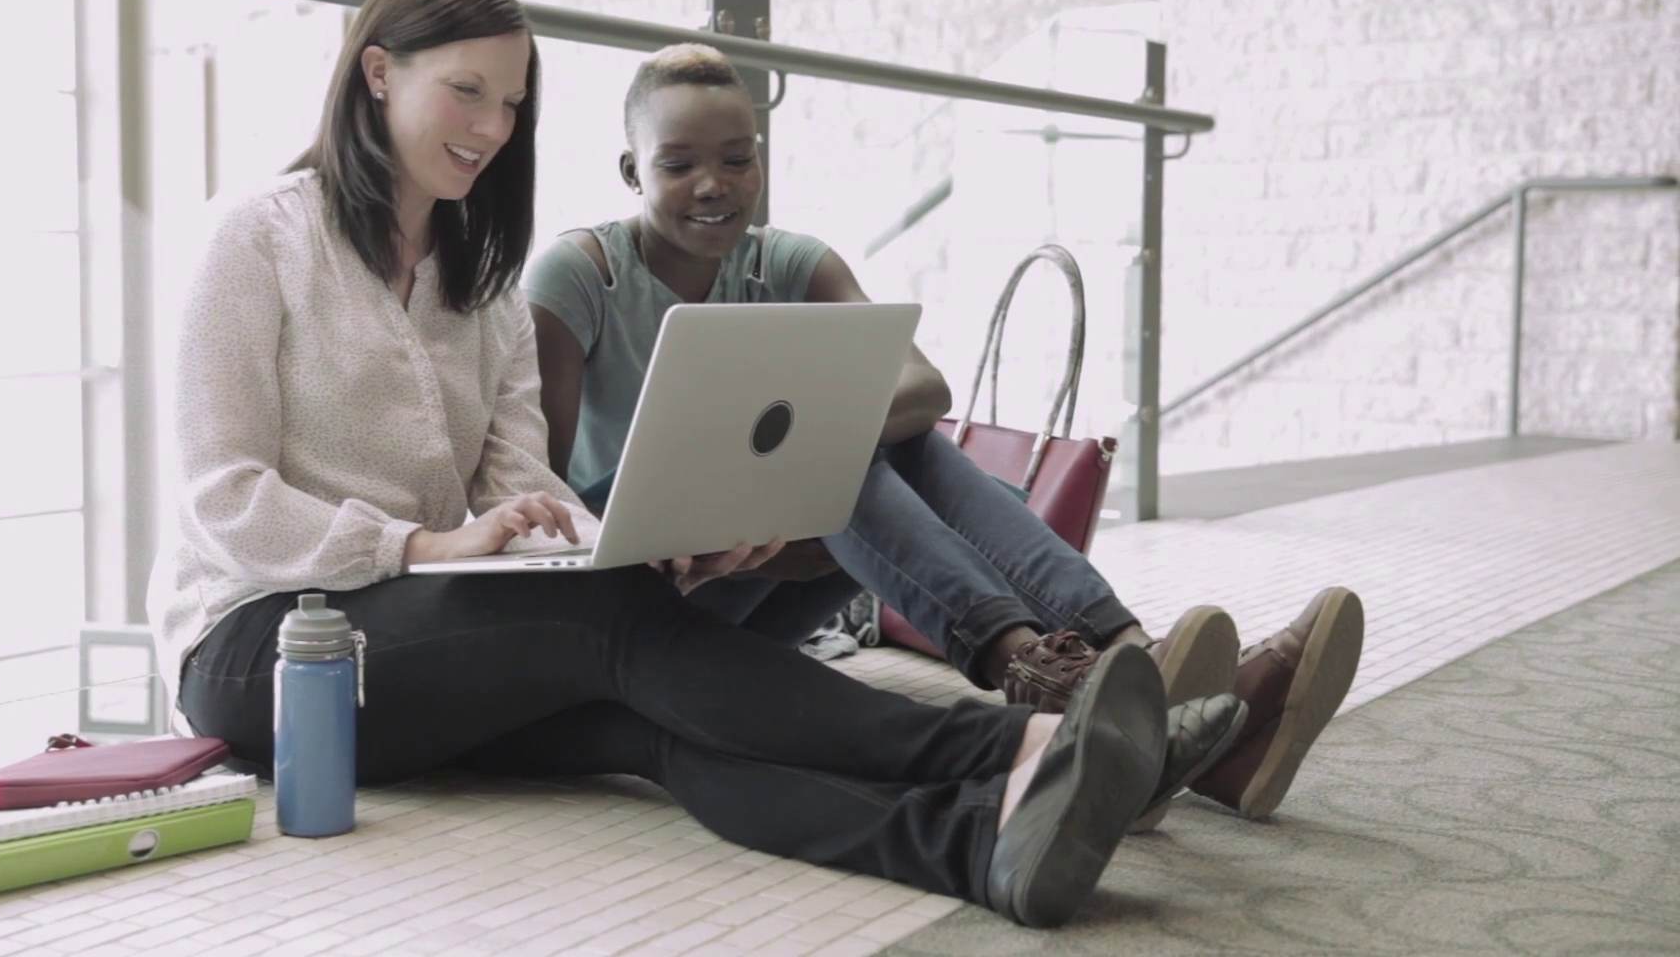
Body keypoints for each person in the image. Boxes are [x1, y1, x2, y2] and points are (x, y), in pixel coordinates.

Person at [145, 0, 1246, 929]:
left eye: (512, 101)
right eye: (465, 91)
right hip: (264, 650)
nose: (490, 126)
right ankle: (1021, 749)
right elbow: (222, 494)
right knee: (613, 622)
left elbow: (517, 476)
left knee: (651, 725)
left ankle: (982, 849)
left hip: (425, 651)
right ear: (379, 74)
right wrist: (422, 549)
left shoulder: (478, 277)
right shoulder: (255, 239)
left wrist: (614, 539)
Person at [522, 42, 1367, 825]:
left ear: (760, 163)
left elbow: (925, 387)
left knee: (867, 442)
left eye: (737, 158)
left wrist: (799, 454)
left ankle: (1120, 662)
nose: (715, 183)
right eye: (680, 164)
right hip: (652, 589)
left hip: (779, 548)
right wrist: (721, 504)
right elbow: (543, 482)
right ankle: (1080, 677)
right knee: (831, 449)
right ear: (634, 170)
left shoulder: (785, 260)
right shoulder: (581, 275)